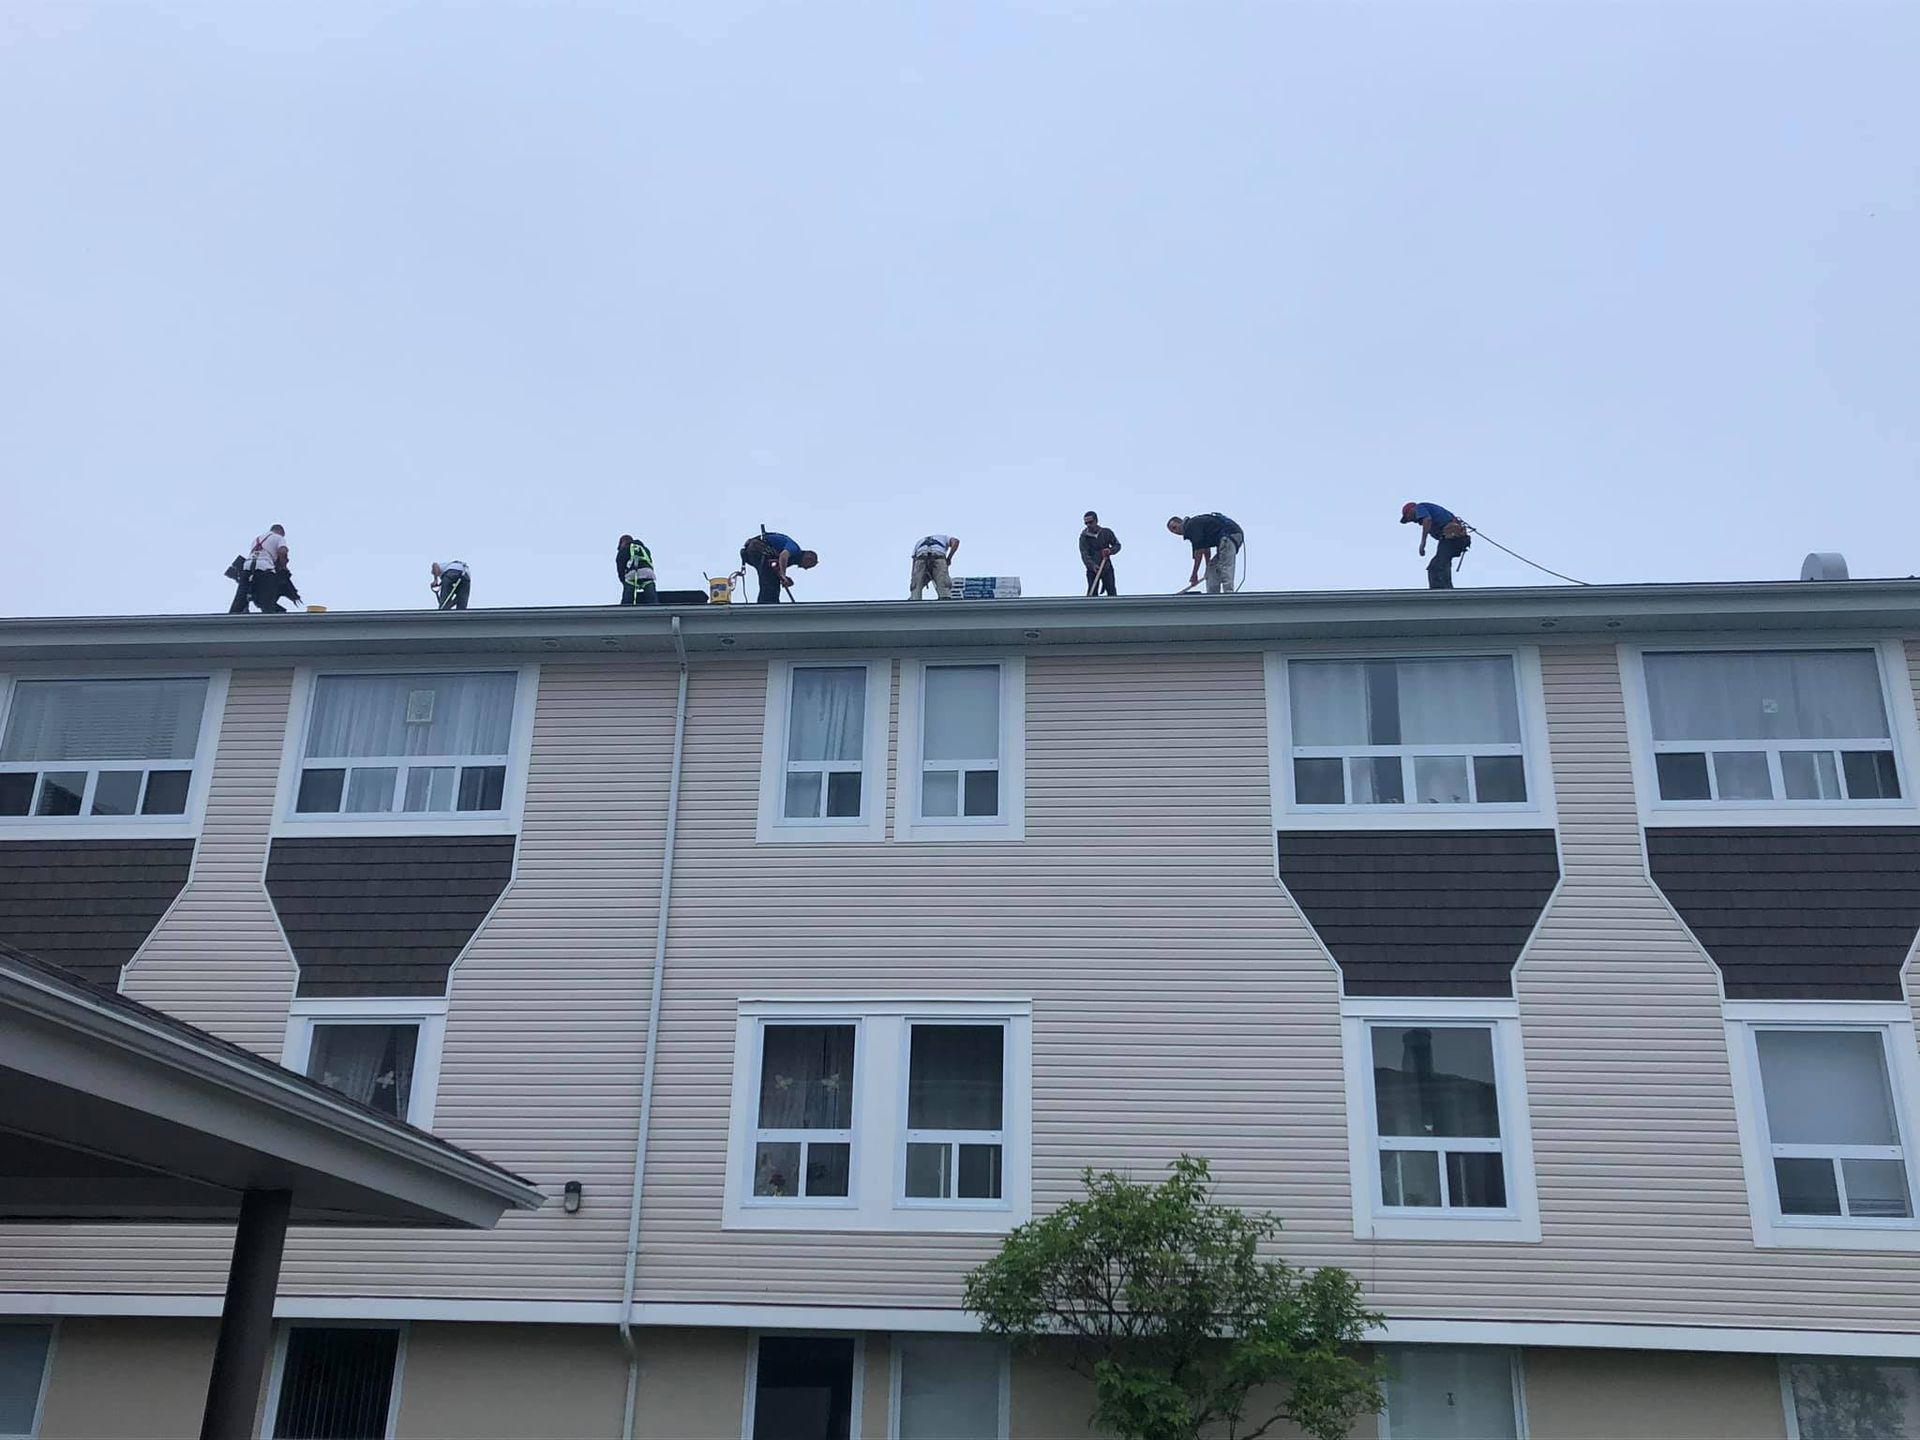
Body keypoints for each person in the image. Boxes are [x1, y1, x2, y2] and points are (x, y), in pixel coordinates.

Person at [1401, 501, 1471, 589]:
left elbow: (1427, 519)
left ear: (1411, 510)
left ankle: (1440, 592)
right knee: (1442, 563)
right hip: (1454, 538)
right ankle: (1447, 588)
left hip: (1452, 537)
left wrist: (1423, 543)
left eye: (1408, 517)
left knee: (1436, 567)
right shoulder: (1432, 520)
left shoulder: (1419, 507)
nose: (1411, 521)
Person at [1168, 513, 1244, 594]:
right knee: (1212, 568)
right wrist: (1208, 566)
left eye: (1174, 528)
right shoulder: (1194, 528)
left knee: (1225, 565)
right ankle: (1213, 595)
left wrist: (1194, 575)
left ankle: (1228, 593)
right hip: (1228, 536)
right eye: (1172, 531)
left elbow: (1199, 552)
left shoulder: (1191, 526)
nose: (1175, 532)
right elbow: (1206, 550)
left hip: (1229, 535)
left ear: (1180, 522)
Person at [228, 524, 294, 614]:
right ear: (280, 531)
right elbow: (282, 551)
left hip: (247, 568)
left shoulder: (257, 539)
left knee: (240, 599)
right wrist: (283, 567)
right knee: (268, 600)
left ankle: (232, 619)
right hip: (264, 569)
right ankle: (270, 621)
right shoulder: (279, 537)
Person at [740, 530, 817, 604]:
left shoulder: (794, 557)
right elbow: (783, 555)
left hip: (757, 551)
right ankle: (767, 607)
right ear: (808, 559)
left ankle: (767, 604)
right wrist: (783, 575)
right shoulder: (795, 549)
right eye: (809, 565)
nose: (805, 568)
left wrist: (783, 577)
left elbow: (777, 566)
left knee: (772, 579)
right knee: (771, 582)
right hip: (759, 548)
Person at [1079, 511, 1121, 596]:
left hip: (1106, 566)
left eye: (1090, 522)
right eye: (1086, 523)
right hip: (1092, 569)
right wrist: (1092, 565)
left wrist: (1110, 550)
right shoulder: (1084, 537)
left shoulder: (1106, 532)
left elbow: (1117, 545)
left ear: (1096, 521)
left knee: (1111, 590)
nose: (1088, 525)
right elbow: (1084, 554)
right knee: (1092, 591)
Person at [909, 533, 960, 599]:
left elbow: (914, 561)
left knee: (916, 586)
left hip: (921, 558)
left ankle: (914, 601)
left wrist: (913, 577)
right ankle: (945, 601)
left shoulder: (919, 542)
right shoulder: (944, 537)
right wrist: (949, 558)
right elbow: (956, 542)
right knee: (943, 584)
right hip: (938, 557)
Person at [617, 535, 658, 605]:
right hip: (647, 572)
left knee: (628, 595)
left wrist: (623, 581)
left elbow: (620, 565)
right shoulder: (644, 549)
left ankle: (625, 608)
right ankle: (656, 607)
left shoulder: (625, 549)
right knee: (651, 596)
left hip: (633, 573)